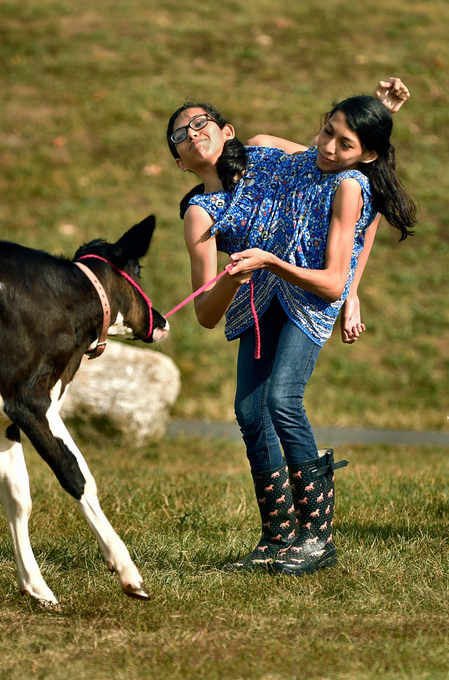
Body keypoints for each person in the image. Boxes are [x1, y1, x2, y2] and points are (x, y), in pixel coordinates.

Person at [166, 80, 416, 574]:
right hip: (259, 299)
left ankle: (317, 538)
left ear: (226, 130)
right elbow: (205, 313)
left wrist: (350, 289)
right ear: (178, 160)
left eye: (202, 123)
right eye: (181, 134)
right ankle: (277, 538)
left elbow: (355, 180)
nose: (194, 134)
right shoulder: (201, 214)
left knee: (283, 399)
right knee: (249, 411)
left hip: (307, 295)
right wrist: (234, 277)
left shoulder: (269, 153)